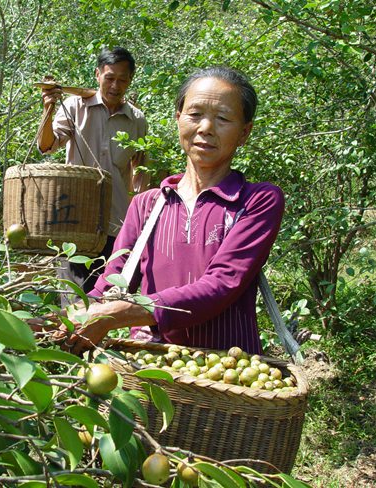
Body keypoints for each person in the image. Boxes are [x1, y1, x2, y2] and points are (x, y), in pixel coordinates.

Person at [53, 66, 285, 356]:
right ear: (178, 120)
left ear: (244, 133)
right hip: (150, 365)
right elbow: (113, 279)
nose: (206, 128)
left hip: (227, 373)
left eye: (223, 118)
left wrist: (119, 313)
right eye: (195, 114)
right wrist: (63, 320)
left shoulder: (257, 200)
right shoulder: (147, 204)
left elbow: (221, 284)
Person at [38, 47, 149, 296]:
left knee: (106, 299)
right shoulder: (76, 106)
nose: (115, 85)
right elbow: (47, 146)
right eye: (110, 78)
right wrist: (48, 108)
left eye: (122, 79)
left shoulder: (137, 120)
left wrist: (140, 219)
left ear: (130, 80)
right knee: (73, 298)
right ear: (98, 74)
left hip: (115, 224)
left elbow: (140, 173)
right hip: (75, 220)